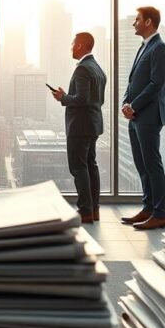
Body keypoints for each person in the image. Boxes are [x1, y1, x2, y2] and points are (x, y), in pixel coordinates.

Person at [120, 7, 165, 230]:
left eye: (137, 20)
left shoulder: (160, 48)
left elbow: (156, 84)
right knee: (141, 164)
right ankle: (148, 207)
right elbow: (133, 81)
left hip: (149, 116)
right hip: (136, 116)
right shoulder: (145, 47)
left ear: (149, 22)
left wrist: (135, 105)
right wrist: (125, 103)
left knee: (152, 164)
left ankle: (160, 213)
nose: (134, 23)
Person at [51, 32, 107, 224]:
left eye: (73, 43)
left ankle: (85, 211)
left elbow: (82, 99)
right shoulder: (97, 69)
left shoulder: (82, 69)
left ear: (80, 46)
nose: (71, 47)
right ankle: (94, 209)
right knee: (91, 166)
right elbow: (97, 99)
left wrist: (63, 98)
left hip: (80, 127)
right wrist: (68, 96)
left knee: (79, 168)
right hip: (93, 125)